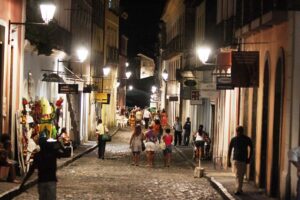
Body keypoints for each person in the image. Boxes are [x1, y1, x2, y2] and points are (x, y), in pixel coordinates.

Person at [227, 126, 253, 195]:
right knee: (238, 174)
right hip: (237, 159)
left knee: (241, 175)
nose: (239, 132)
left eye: (240, 131)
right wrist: (228, 160)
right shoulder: (235, 139)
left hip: (242, 159)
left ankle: (239, 189)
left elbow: (251, 148)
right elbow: (229, 150)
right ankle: (238, 189)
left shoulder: (245, 139)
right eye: (238, 131)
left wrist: (249, 158)